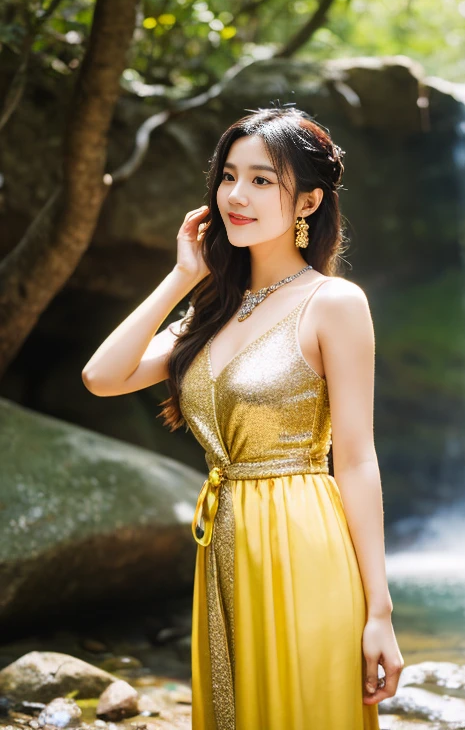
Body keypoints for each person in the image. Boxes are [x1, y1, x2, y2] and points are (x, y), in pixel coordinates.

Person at [82, 106, 404, 729]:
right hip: (225, 541)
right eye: (229, 176)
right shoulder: (210, 314)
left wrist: (379, 612)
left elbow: (358, 459)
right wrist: (181, 277)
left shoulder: (331, 302)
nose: (236, 195)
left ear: (308, 202)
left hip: (304, 540)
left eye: (262, 180)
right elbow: (102, 377)